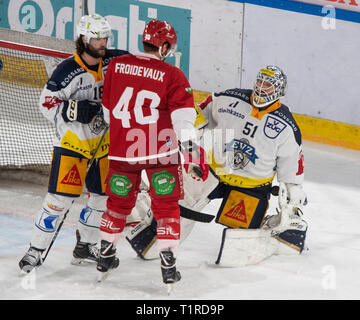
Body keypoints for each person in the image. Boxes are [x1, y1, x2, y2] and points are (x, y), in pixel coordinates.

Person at [126, 65, 308, 267]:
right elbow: (194, 115)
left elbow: (292, 167)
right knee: (151, 244)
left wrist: (293, 198)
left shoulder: (287, 127)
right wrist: (188, 136)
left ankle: (274, 227)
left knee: (236, 254)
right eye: (260, 81)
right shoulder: (228, 99)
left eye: (268, 85)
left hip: (251, 186)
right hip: (213, 171)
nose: (261, 88)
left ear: (279, 91)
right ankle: (143, 203)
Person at [97, 19, 208, 287]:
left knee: (117, 204)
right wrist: (193, 156)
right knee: (166, 206)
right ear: (164, 45)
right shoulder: (172, 75)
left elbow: (108, 112)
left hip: (123, 151)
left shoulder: (115, 67)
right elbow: (183, 121)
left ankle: (105, 255)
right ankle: (168, 264)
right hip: (160, 152)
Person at [19, 14, 130, 273]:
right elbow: (46, 105)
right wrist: (74, 110)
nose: (102, 43)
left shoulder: (116, 59)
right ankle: (35, 249)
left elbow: (141, 68)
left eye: (105, 38)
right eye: (97, 38)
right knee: (59, 200)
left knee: (102, 197)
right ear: (82, 39)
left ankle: (85, 246)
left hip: (104, 143)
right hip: (74, 143)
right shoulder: (66, 70)